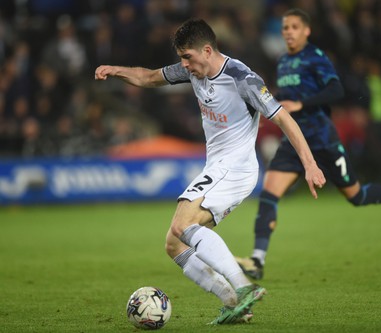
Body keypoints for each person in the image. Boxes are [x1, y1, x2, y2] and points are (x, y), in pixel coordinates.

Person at [95, 18, 326, 325]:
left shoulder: (242, 78)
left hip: (236, 166)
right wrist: (115, 70)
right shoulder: (193, 70)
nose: (184, 65)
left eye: (187, 57)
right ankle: (232, 302)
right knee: (174, 243)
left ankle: (243, 288)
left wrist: (309, 164)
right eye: (181, 58)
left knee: (182, 223)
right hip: (218, 166)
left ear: (207, 50)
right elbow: (149, 77)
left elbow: (284, 119)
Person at [235, 8, 381, 281]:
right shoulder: (283, 62)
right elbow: (286, 99)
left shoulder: (315, 57)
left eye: (294, 27)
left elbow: (336, 90)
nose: (288, 31)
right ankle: (257, 260)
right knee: (269, 193)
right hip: (293, 141)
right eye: (285, 27)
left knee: (356, 197)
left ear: (306, 31)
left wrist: (302, 104)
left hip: (323, 140)